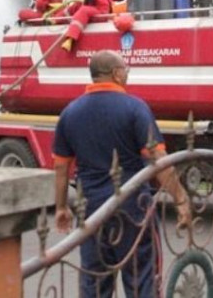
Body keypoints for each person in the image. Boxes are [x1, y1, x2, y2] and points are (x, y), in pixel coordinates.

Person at [52, 50, 190, 298]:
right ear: (116, 73)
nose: (127, 74)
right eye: (126, 69)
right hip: (132, 206)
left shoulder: (70, 113)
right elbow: (158, 159)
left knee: (94, 282)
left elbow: (61, 167)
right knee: (142, 279)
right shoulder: (135, 108)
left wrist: (61, 206)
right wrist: (180, 199)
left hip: (91, 208)